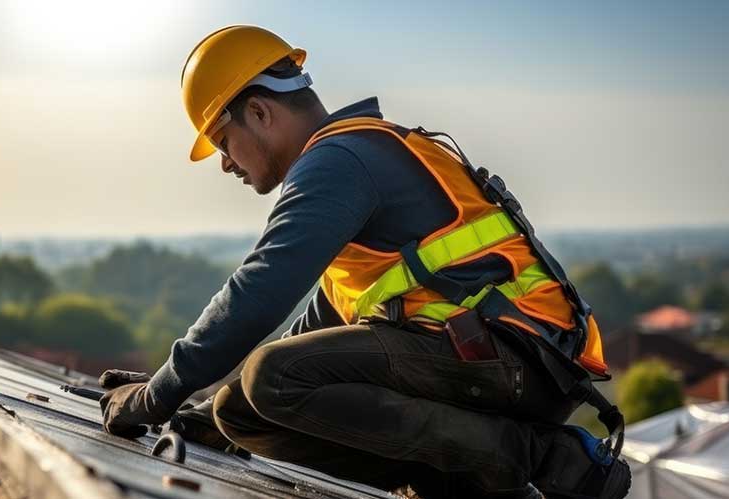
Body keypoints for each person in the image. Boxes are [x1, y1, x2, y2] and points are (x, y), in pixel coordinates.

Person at [100, 25, 630, 499]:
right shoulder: (354, 162)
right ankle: (454, 484)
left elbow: (257, 293)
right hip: (493, 360)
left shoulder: (339, 161)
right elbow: (318, 328)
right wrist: (195, 409)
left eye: (223, 141)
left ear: (260, 112)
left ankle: (537, 459)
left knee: (273, 378)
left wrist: (155, 395)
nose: (224, 164)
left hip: (517, 359)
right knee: (239, 411)